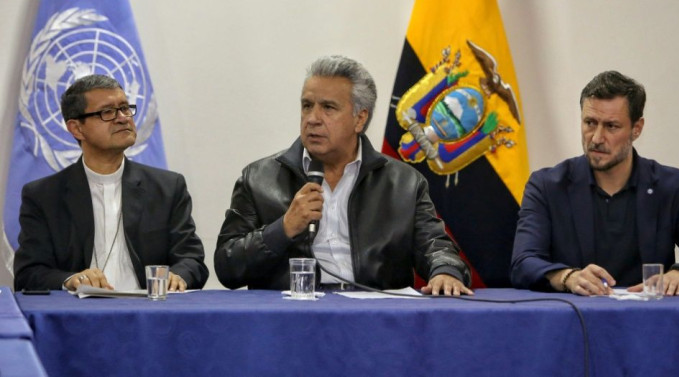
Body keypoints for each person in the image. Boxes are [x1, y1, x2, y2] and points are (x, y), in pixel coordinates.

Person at [215, 55, 472, 295]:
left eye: (328, 108)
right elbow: (227, 267)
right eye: (307, 106)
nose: (312, 118)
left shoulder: (403, 183)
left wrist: (445, 271)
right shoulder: (259, 178)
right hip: (292, 318)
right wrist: (282, 229)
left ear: (360, 119)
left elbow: (436, 247)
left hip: (375, 317)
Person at [510, 70, 679, 296]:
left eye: (611, 126)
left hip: (650, 320)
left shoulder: (673, 186)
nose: (596, 138)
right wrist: (567, 277)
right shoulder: (547, 185)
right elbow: (522, 263)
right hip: (575, 320)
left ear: (637, 128)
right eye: (590, 123)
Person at [14, 75, 208, 292]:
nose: (123, 118)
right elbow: (28, 273)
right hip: (80, 316)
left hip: (151, 313)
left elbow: (192, 260)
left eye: (125, 108)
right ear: (77, 128)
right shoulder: (44, 196)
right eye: (107, 112)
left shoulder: (168, 188)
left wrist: (178, 276)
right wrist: (71, 280)